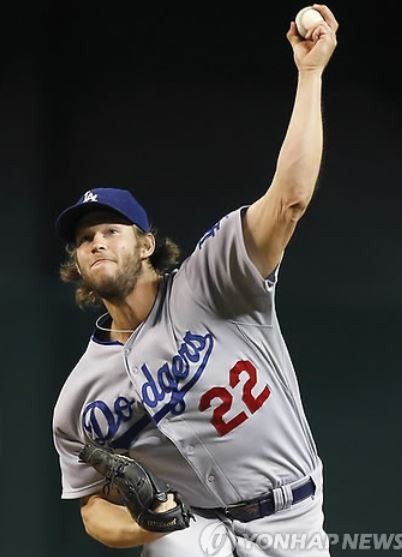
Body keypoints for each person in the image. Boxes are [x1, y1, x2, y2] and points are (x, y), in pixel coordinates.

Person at [52, 5, 338, 556]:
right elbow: (92, 509)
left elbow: (289, 200)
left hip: (291, 513)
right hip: (199, 524)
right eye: (84, 239)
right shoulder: (80, 397)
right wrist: (149, 523)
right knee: (173, 545)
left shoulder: (209, 280)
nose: (96, 242)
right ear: (78, 264)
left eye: (111, 230)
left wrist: (310, 74)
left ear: (146, 244)